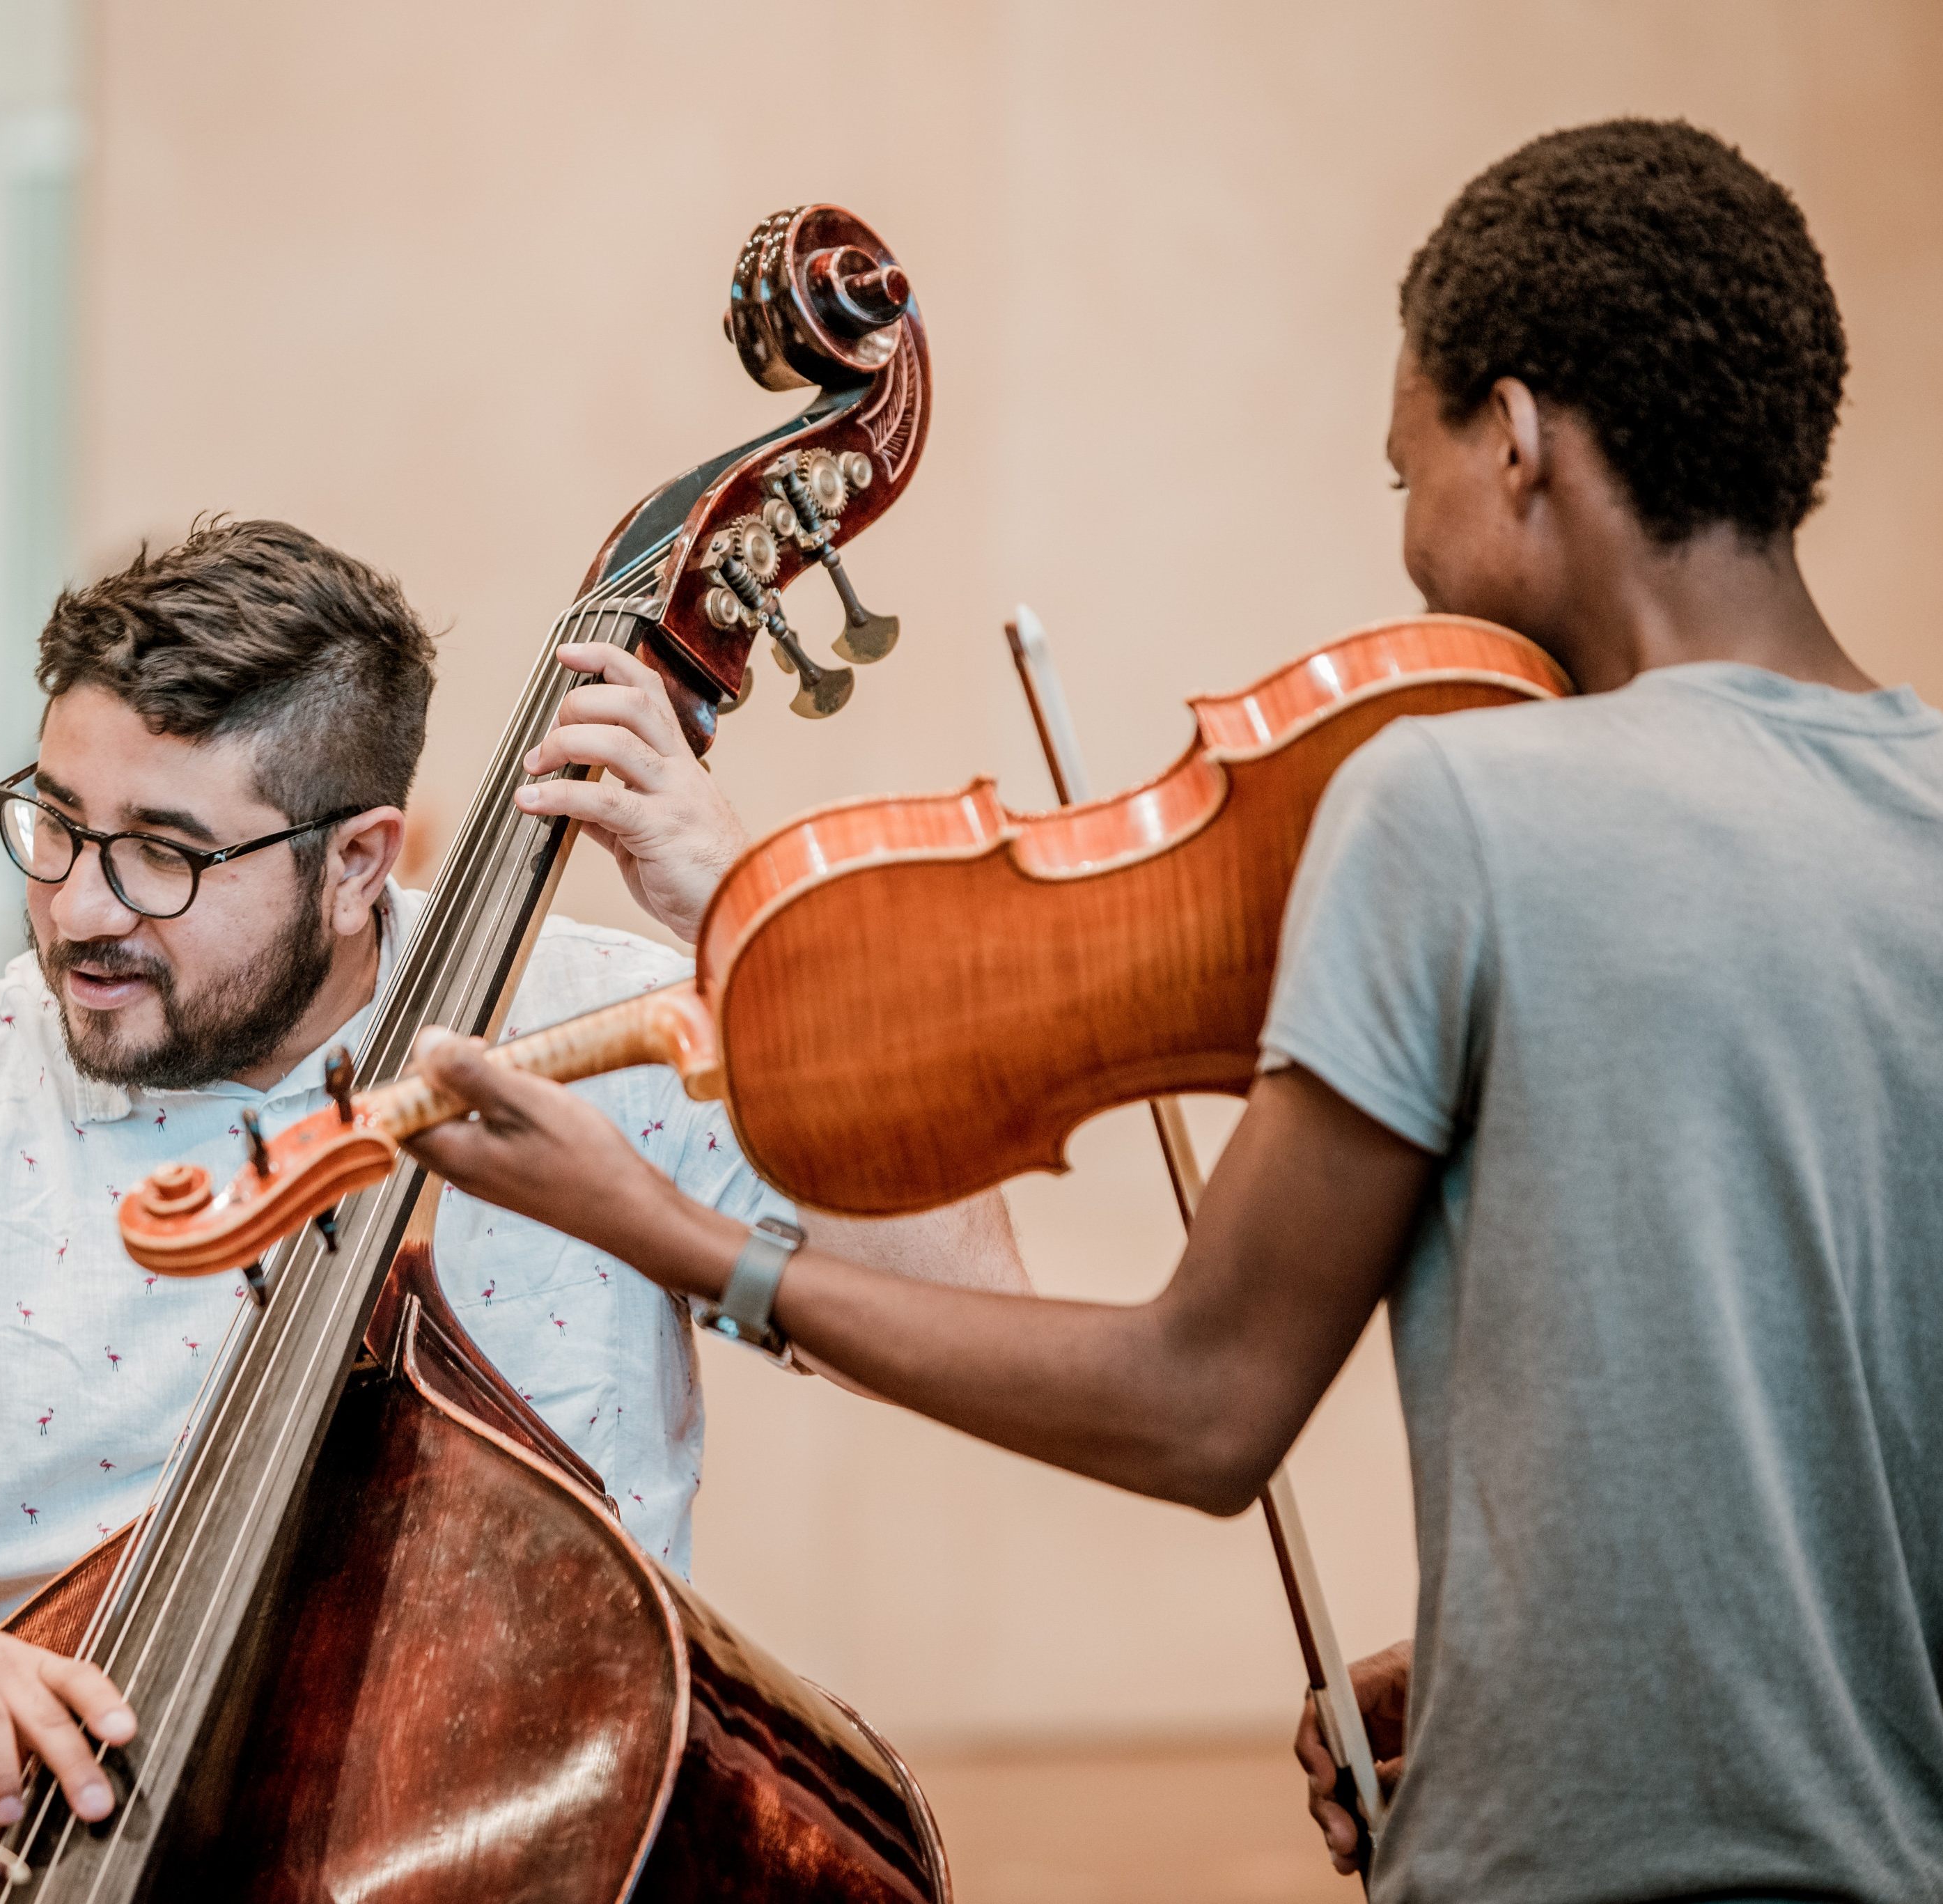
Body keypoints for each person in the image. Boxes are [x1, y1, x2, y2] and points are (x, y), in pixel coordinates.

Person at [403, 119, 1943, 1903]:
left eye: (1404, 476)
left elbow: (1200, 1406)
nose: (1413, 554)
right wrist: (1507, 1679)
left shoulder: (1458, 803)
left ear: (1512, 439)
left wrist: (672, 1234)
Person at [0, 519, 1024, 1835]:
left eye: (160, 851)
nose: (80, 905)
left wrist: (766, 938)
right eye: (57, 824)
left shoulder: (619, 1029)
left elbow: (979, 1319)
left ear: (357, 861)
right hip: (69, 1839)